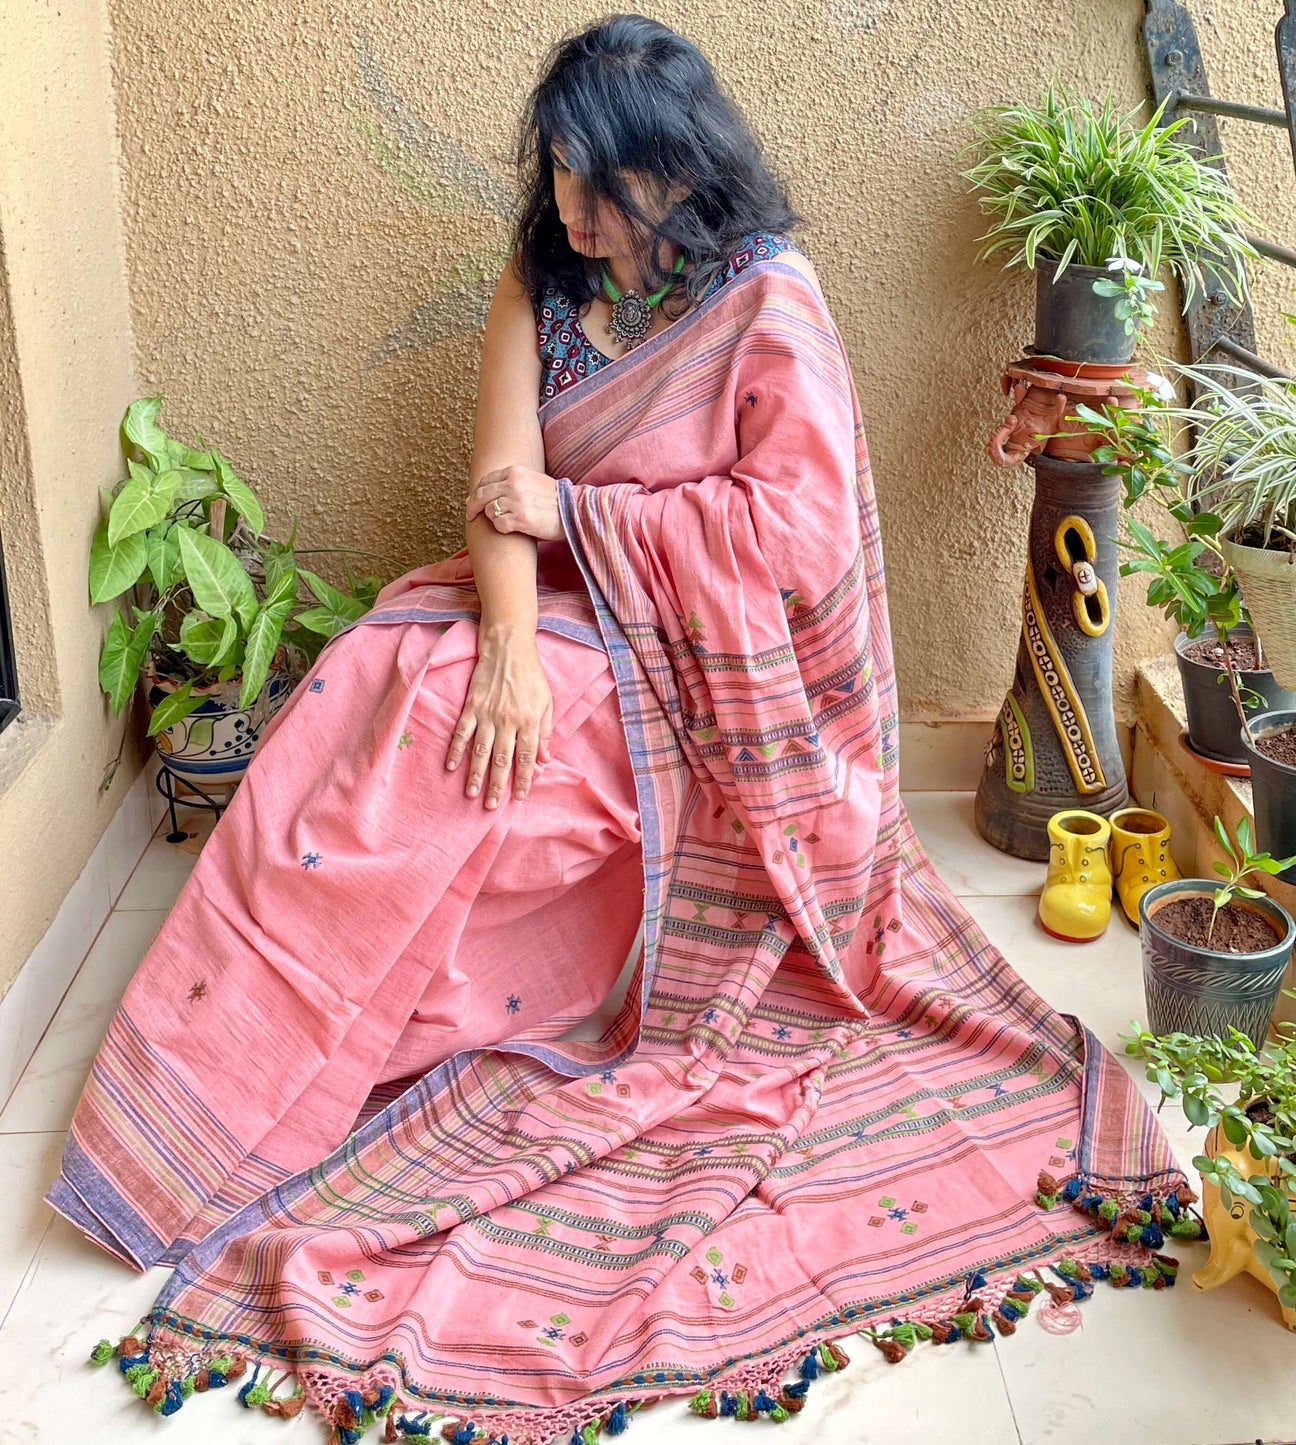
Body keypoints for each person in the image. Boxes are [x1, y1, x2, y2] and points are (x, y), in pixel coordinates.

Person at [49, 16, 1185, 1441]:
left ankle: (382, 1032)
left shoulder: (767, 300)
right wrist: (511, 650)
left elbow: (792, 533)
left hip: (703, 669)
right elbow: (497, 487)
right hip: (554, 611)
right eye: (563, 178)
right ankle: (221, 1096)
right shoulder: (540, 281)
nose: (575, 211)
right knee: (379, 694)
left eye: (606, 185)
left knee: (473, 767)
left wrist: (585, 520)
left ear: (679, 176)